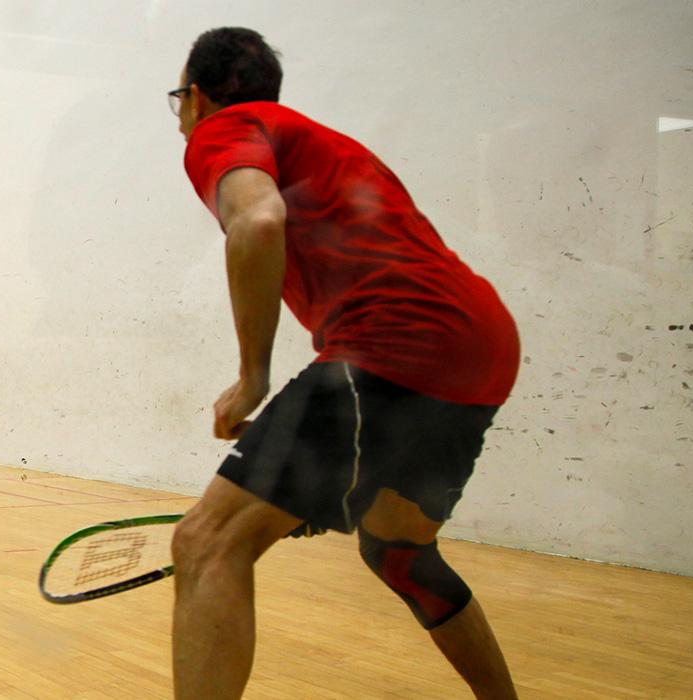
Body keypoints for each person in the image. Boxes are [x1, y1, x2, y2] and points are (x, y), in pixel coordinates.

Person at [169, 27, 522, 699]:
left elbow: (258, 223)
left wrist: (253, 379)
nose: (181, 117)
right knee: (400, 553)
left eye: (178, 100)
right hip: (481, 345)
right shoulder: (323, 142)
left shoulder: (224, 130)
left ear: (196, 97)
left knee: (206, 542)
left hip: (392, 343)